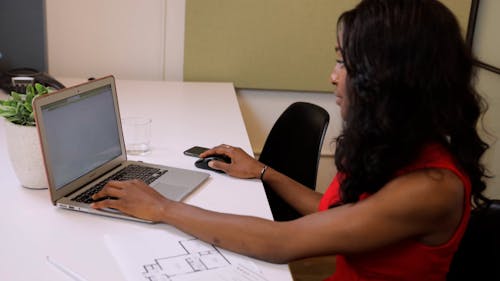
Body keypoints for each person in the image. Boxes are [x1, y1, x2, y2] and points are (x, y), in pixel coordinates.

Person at [92, 0, 491, 279]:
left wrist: (163, 208)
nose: (334, 76)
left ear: (390, 79)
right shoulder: (397, 147)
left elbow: (283, 241)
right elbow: (331, 211)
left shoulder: (430, 189)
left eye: (345, 63)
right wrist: (263, 171)